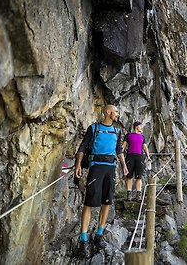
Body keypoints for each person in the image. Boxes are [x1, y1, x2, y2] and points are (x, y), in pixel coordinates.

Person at [74, 105, 128, 258]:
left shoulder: (117, 131)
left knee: (107, 202)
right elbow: (83, 146)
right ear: (108, 112)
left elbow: (119, 150)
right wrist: (78, 165)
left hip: (110, 168)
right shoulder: (94, 128)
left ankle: (99, 235)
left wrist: (124, 166)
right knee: (89, 203)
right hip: (96, 167)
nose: (117, 114)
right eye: (116, 111)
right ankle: (83, 240)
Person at [122, 121, 151, 201]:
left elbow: (145, 147)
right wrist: (119, 154)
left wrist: (148, 156)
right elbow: (123, 146)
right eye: (140, 126)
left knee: (139, 176)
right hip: (130, 157)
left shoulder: (142, 137)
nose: (141, 128)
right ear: (136, 127)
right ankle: (129, 194)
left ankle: (139, 195)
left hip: (139, 157)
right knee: (129, 176)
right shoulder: (128, 135)